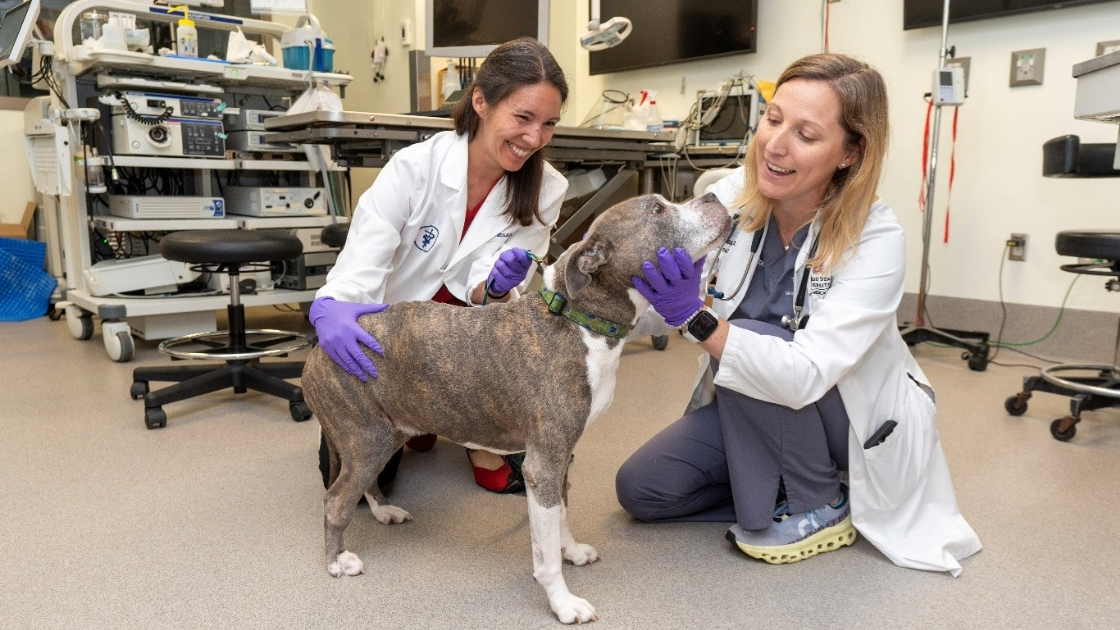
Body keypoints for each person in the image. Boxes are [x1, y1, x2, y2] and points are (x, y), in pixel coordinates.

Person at [616, 53, 981, 574]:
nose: (775, 145)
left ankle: (820, 502)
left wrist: (696, 320)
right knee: (645, 490)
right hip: (755, 404)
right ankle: (772, 488)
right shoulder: (728, 204)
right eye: (773, 119)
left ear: (851, 152)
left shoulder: (876, 238)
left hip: (844, 420)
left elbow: (806, 373)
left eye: (806, 135)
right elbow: (654, 304)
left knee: (748, 333)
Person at [310, 37, 569, 494]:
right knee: (357, 471)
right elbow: (364, 257)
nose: (535, 138)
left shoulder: (547, 187)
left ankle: (466, 430)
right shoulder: (414, 168)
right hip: (397, 336)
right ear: (481, 101)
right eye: (523, 118)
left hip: (471, 341)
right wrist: (332, 305)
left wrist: (494, 284)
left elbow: (491, 292)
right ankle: (420, 412)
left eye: (549, 124)